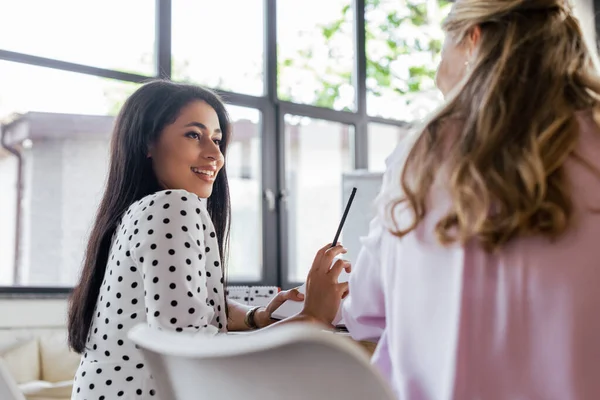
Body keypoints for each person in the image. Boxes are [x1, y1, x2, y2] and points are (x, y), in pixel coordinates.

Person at [342, 0, 600, 399]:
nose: (436, 73)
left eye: (443, 45)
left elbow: (365, 311)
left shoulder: (419, 158)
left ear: (473, 40)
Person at [67, 80, 350, 399]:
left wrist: (259, 316)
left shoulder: (136, 211)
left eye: (217, 140)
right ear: (147, 142)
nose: (215, 154)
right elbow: (192, 353)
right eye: (193, 135)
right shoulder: (172, 206)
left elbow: (183, 308)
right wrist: (313, 318)